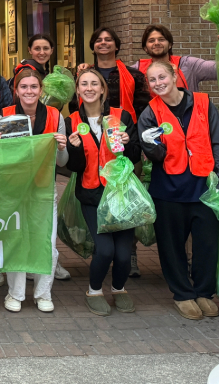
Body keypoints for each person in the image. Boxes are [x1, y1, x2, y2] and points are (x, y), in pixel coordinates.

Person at [138, 59, 219, 321]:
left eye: (162, 77)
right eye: (153, 80)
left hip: (204, 188)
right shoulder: (149, 113)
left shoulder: (203, 103)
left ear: (175, 75)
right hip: (167, 190)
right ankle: (182, 294)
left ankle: (203, 292)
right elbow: (155, 156)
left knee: (207, 245)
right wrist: (150, 145)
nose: (158, 83)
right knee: (171, 246)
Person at [73, 27, 151, 278]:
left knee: (124, 201)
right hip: (92, 158)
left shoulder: (133, 75)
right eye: (98, 40)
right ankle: (106, 255)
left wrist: (133, 139)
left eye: (108, 40)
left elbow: (143, 107)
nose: (103, 43)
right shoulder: (82, 74)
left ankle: (129, 253)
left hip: (123, 139)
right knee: (102, 225)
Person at [0, 68, 68, 313]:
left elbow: (63, 162)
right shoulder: (5, 115)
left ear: (41, 90)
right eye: (24, 87)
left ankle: (43, 293)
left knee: (46, 241)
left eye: (34, 87)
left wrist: (63, 147)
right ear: (16, 91)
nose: (29, 91)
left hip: (44, 189)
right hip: (13, 189)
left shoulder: (56, 116)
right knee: (16, 239)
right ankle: (15, 293)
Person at [65, 67, 141, 316]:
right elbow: (73, 166)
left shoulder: (123, 117)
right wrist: (73, 148)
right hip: (91, 194)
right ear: (78, 90)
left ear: (103, 90)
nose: (89, 88)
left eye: (94, 84)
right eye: (84, 84)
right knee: (105, 250)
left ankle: (118, 289)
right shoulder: (72, 121)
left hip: (119, 193)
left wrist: (129, 145)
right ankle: (94, 290)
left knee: (122, 254)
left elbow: (134, 155)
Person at [135, 24, 219, 93]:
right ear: (145, 48)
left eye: (161, 39)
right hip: (152, 122)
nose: (156, 43)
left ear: (170, 45)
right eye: (151, 40)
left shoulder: (188, 65)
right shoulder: (136, 70)